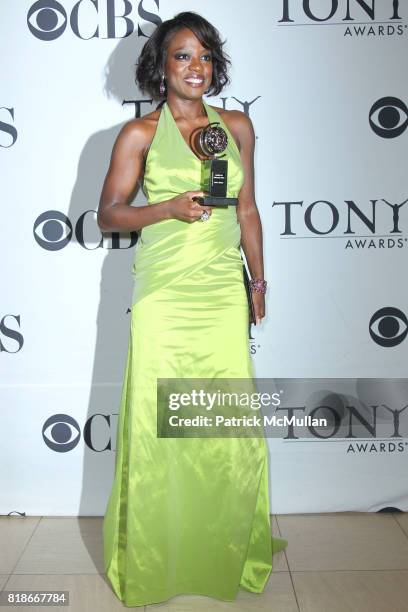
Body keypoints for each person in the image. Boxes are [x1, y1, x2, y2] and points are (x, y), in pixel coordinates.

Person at [98, 11, 287, 607]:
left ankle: (220, 543)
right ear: (161, 65)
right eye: (183, 56)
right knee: (159, 422)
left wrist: (257, 283)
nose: (196, 67)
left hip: (218, 291)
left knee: (220, 422)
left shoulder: (236, 124)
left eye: (204, 56)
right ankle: (157, 553)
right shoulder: (139, 134)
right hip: (164, 292)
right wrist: (166, 209)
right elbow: (108, 215)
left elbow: (248, 209)